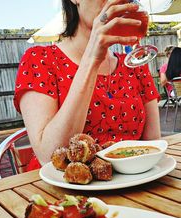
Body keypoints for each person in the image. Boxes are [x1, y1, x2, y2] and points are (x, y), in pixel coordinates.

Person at [14, 0, 161, 170]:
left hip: (131, 184)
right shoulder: (40, 60)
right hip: (64, 190)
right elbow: (50, 157)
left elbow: (153, 143)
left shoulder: (135, 65)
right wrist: (91, 60)